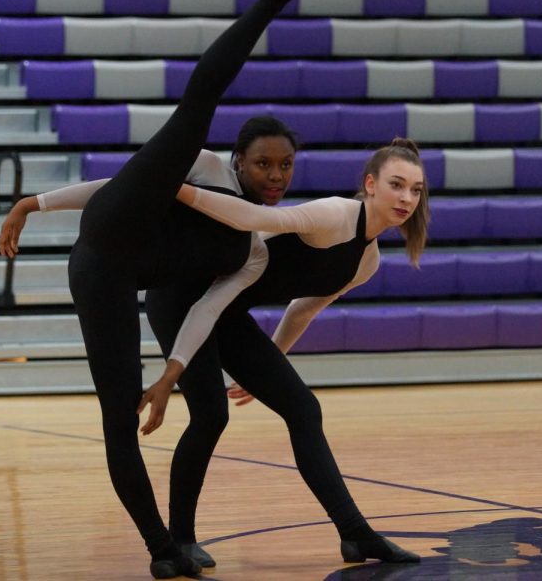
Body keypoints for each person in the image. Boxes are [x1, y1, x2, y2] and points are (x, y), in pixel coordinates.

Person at [0, 0, 305, 577]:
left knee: (139, 412)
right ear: (239, 160)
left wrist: (172, 374)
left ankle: (170, 545)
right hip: (105, 249)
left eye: (285, 164)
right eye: (263, 162)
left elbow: (206, 310)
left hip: (131, 272)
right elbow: (116, 189)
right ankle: (162, 548)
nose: (275, 174)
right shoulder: (207, 166)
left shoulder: (257, 241)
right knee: (199, 102)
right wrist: (32, 204)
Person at [143, 138, 430, 564]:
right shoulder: (335, 214)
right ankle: (180, 539)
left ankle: (355, 534)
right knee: (210, 414)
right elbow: (254, 217)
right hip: (182, 297)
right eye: (397, 185)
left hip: (228, 311)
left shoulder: (366, 262)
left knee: (303, 408)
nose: (407, 198)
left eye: (416, 190)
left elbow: (302, 310)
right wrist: (178, 188)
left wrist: (266, 367)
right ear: (370, 184)